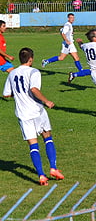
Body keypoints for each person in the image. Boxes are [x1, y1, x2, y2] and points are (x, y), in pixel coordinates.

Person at [3, 47, 64, 186]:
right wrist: (46, 101)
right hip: (37, 111)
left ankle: (41, 175)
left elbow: (6, 94)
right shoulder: (33, 71)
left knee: (33, 145)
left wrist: (19, 95)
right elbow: (34, 89)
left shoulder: (12, 74)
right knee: (47, 137)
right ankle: (53, 168)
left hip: (23, 114)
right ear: (31, 59)